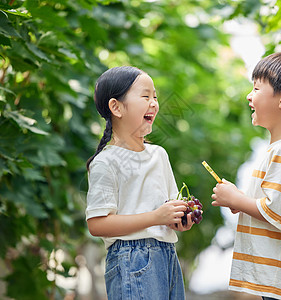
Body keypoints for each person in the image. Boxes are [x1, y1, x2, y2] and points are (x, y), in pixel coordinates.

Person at [211, 52, 281, 300]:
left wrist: (238, 201)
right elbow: (278, 202)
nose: (249, 96)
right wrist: (240, 199)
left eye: (256, 88)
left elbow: (280, 211)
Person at [86, 66, 194, 300]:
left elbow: (168, 212)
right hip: (130, 259)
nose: (154, 103)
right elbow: (97, 224)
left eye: (155, 97)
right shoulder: (106, 162)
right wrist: (157, 217)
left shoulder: (159, 155)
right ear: (116, 107)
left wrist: (180, 219)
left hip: (167, 255)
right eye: (145, 96)